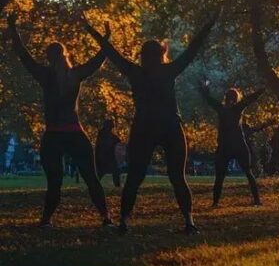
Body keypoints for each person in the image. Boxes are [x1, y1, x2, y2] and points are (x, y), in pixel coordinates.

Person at [79, 13, 216, 234]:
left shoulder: (135, 72)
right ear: (161, 55)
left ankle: (125, 221)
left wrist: (93, 30)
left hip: (144, 127)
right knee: (176, 177)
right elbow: (192, 49)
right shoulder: (168, 70)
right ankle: (189, 222)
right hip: (170, 126)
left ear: (143, 56)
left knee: (135, 177)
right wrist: (207, 24)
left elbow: (110, 52)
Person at [7, 13, 111, 226]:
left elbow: (24, 55)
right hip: (74, 132)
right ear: (65, 55)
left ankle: (46, 220)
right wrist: (106, 37)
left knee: (54, 182)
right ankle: (106, 218)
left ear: (48, 57)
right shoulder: (75, 74)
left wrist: (13, 29)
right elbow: (99, 58)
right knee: (90, 178)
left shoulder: (45, 75)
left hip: (54, 134)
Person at [198, 81, 264, 208]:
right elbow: (249, 99)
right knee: (248, 173)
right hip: (238, 145)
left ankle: (215, 202)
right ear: (235, 98)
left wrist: (204, 89)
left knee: (220, 176)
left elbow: (209, 99)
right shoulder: (236, 108)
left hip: (226, 146)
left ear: (226, 98)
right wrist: (260, 91)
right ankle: (256, 200)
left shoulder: (222, 108)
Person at [95, 119, 122, 188]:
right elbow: (99, 147)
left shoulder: (111, 136)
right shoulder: (102, 135)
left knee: (115, 171)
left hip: (108, 158)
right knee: (100, 173)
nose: (110, 128)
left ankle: (117, 186)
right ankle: (94, 186)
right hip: (103, 158)